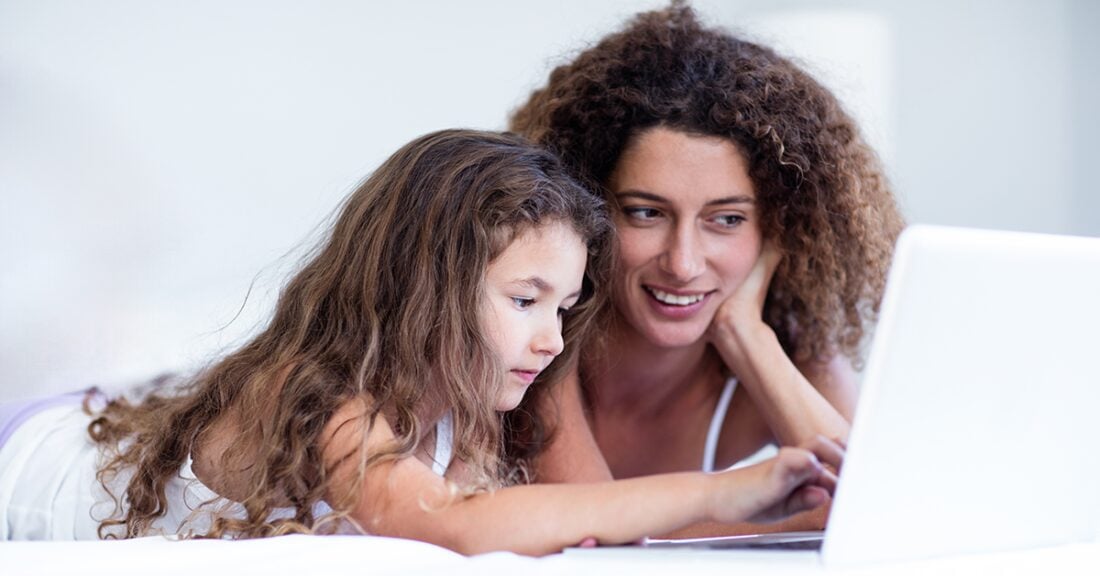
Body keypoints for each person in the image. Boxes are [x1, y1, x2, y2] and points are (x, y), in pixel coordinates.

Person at [0, 129, 843, 554]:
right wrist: (721, 492)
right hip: (32, 450)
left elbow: (513, 518)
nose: (552, 340)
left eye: (566, 308)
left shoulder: (468, 402)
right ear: (425, 288)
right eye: (525, 299)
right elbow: (454, 523)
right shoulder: (321, 402)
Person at [509, 2, 904, 534]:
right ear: (584, 207)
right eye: (646, 212)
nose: (683, 263)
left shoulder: (791, 349)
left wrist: (744, 333)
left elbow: (877, 516)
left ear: (781, 230)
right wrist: (784, 519)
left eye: (727, 220)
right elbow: (596, 532)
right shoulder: (536, 340)